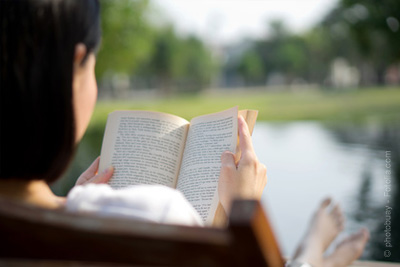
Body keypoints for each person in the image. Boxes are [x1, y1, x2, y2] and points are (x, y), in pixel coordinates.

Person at [0, 0, 368, 266]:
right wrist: (240, 208)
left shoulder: (63, 216)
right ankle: (317, 250)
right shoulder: (157, 213)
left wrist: (76, 205)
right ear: (73, 69)